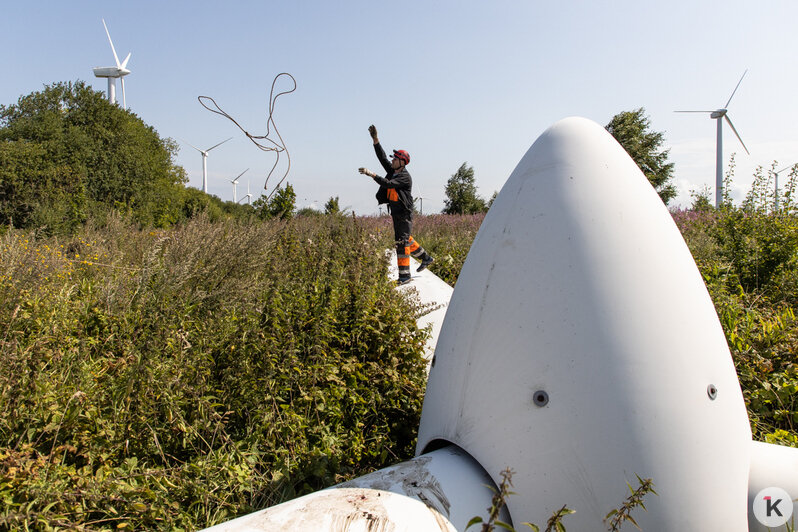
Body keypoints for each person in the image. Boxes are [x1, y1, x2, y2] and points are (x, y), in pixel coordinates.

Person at [359, 125, 434, 285]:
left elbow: (387, 184)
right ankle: (426, 258)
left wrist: (371, 174)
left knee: (401, 243)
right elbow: (382, 158)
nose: (392, 161)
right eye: (393, 159)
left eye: (395, 159)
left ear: (402, 162)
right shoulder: (394, 170)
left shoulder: (404, 177)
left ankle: (405, 276)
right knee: (404, 239)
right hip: (396, 212)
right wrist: (375, 140)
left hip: (404, 214)